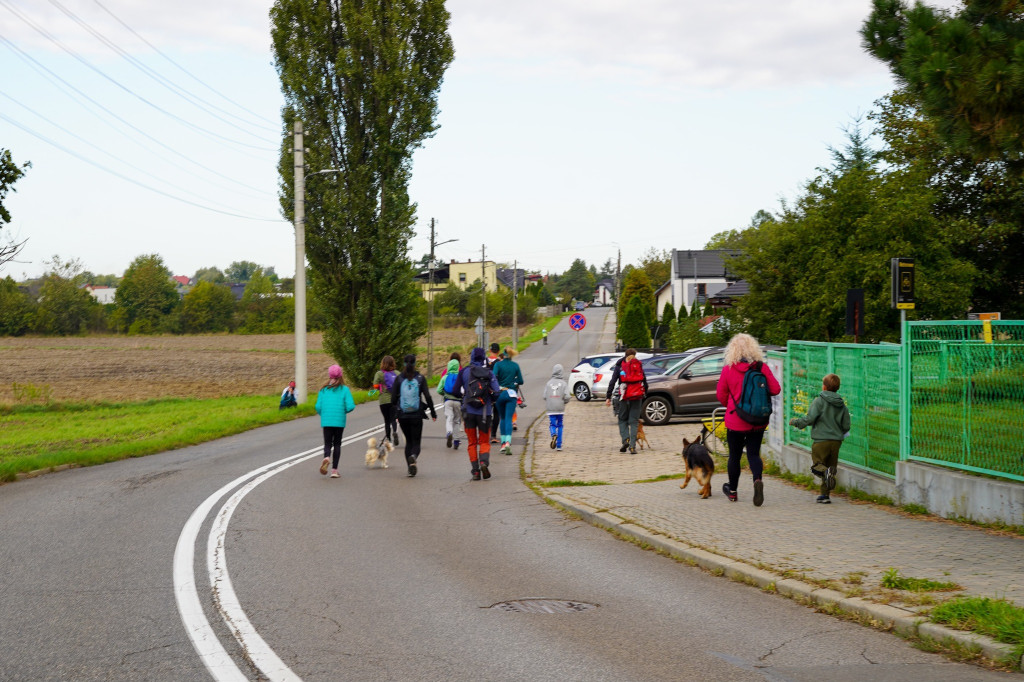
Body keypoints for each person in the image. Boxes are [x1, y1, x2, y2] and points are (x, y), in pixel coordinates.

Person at [716, 333, 781, 507]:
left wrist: (732, 405)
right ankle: (757, 480)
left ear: (732, 350)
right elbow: (776, 389)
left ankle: (732, 491)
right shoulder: (761, 368)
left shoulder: (728, 369)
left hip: (735, 421)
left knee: (734, 457)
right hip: (757, 421)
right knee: (753, 454)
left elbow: (721, 395)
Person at [790, 373, 851, 504]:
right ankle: (825, 495)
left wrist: (796, 422)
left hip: (821, 440)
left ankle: (825, 489)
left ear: (824, 387)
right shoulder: (842, 405)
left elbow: (810, 418)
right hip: (836, 442)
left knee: (818, 466)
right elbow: (846, 425)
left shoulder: (819, 401)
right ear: (837, 388)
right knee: (830, 467)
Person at [452, 346, 499, 480]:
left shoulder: (464, 371)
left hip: (468, 412)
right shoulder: (489, 373)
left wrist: (465, 397)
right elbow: (496, 392)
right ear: (483, 357)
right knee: (484, 441)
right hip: (485, 413)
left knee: (472, 442)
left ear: (472, 357)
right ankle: (484, 462)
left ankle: (475, 471)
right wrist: (490, 401)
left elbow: (455, 391)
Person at [390, 354, 437, 477]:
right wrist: (433, 412)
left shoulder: (399, 378)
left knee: (409, 442)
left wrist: (397, 408)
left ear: (403, 364)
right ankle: (413, 457)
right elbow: (428, 396)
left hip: (403, 415)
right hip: (416, 415)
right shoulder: (420, 378)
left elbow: (393, 399)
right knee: (416, 443)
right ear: (415, 364)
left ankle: (410, 467)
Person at [314, 365, 355, 479]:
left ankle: (327, 457)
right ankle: (334, 470)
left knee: (327, 443)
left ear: (330, 375)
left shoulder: (323, 390)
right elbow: (351, 406)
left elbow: (318, 406)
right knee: (337, 444)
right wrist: (343, 411)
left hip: (326, 421)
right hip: (339, 421)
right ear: (341, 376)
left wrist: (324, 414)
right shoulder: (345, 389)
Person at [605, 349, 647, 454]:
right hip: (637, 396)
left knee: (622, 419)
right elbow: (644, 381)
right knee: (633, 422)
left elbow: (613, 381)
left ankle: (626, 439)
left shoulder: (619, 365)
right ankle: (632, 447)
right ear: (635, 355)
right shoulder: (638, 365)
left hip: (623, 396)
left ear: (625, 355)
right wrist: (644, 393)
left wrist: (608, 396)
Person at [493, 347, 525, 456]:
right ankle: (508, 442)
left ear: (503, 354)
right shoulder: (515, 365)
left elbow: (493, 377)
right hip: (511, 394)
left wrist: (498, 385)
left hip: (500, 394)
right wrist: (513, 382)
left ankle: (502, 444)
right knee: (509, 419)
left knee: (502, 418)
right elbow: (521, 380)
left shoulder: (498, 365)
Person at [372, 355, 400, 446]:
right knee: (393, 419)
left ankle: (389, 439)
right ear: (393, 363)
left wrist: (381, 386)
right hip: (394, 400)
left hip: (383, 400)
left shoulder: (379, 374)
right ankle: (395, 431)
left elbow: (375, 386)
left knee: (386, 420)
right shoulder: (397, 373)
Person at [543, 363, 571, 450]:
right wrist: (564, 402)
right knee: (560, 425)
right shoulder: (563, 383)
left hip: (551, 407)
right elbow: (567, 396)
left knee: (552, 424)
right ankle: (559, 445)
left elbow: (544, 396)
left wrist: (550, 400)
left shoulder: (548, 383)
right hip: (560, 407)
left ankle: (553, 434)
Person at [437, 356, 463, 450]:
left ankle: (449, 432)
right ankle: (456, 441)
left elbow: (438, 390)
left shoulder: (445, 377)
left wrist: (444, 394)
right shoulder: (460, 377)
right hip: (458, 402)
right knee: (456, 421)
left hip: (447, 401)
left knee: (449, 418)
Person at [485, 342, 502, 442]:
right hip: (496, 390)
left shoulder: (484, 361)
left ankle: (485, 434)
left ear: (490, 350)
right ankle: (493, 436)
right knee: (496, 413)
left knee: (486, 413)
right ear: (498, 351)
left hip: (485, 391)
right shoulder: (499, 363)